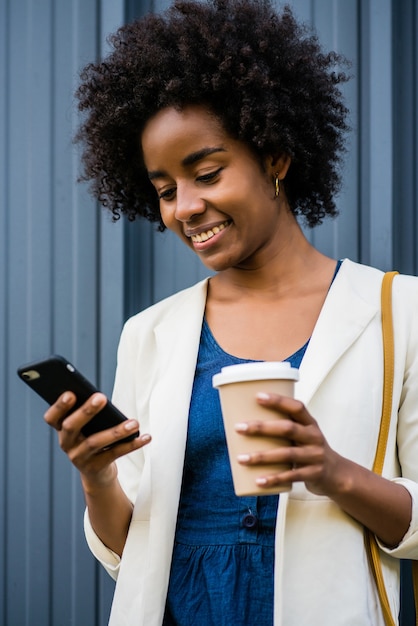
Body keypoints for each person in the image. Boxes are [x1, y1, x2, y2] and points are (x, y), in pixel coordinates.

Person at [44, 1, 418, 624]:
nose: (185, 207)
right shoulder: (152, 334)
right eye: (165, 191)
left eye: (208, 173)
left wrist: (333, 473)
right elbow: (128, 555)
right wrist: (98, 479)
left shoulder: (399, 312)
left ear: (275, 158)